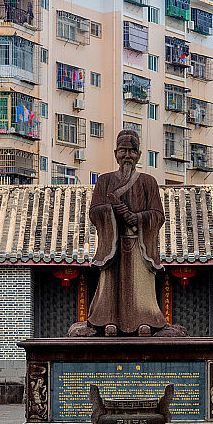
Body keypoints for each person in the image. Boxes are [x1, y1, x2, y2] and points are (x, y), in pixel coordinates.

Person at [70, 130, 168, 336]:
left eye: (132, 151)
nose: (127, 155)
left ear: (139, 155)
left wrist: (139, 218)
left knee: (141, 287)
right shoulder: (105, 181)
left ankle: (145, 320)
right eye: (123, 150)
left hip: (138, 244)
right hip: (113, 245)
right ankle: (108, 321)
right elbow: (95, 212)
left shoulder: (148, 182)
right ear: (115, 153)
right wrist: (111, 212)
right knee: (110, 285)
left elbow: (158, 214)